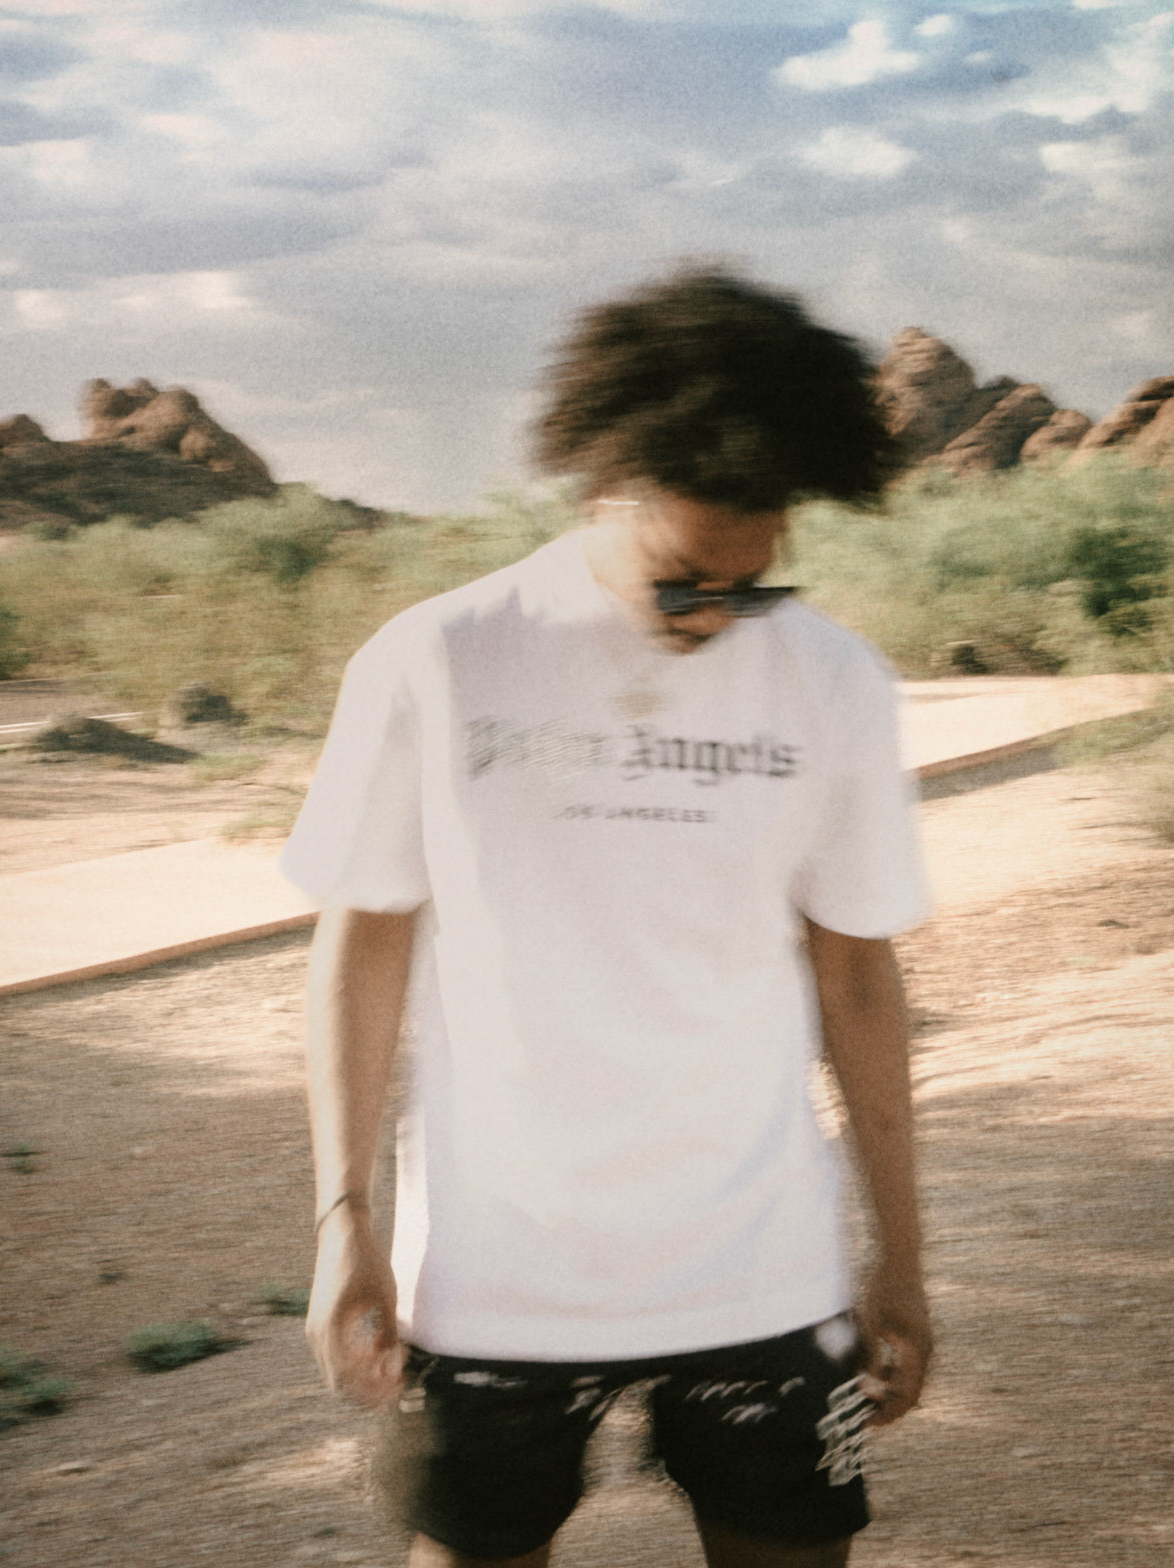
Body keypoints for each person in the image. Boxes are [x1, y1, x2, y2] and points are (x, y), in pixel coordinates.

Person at [280, 266, 933, 1568]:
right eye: (683, 581)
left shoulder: (834, 683)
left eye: (751, 585)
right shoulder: (440, 657)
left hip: (760, 1273)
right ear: (609, 486)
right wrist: (343, 1222)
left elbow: (858, 978)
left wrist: (901, 1256)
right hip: (496, 1278)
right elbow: (361, 948)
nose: (715, 618)